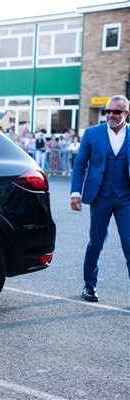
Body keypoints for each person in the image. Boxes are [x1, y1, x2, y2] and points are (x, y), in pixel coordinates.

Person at [70, 95, 130, 302]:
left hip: (126, 198)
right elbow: (80, 165)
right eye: (108, 111)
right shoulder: (91, 133)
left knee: (129, 243)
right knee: (96, 242)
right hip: (100, 197)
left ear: (126, 113)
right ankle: (89, 286)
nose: (111, 115)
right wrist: (75, 193)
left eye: (116, 111)